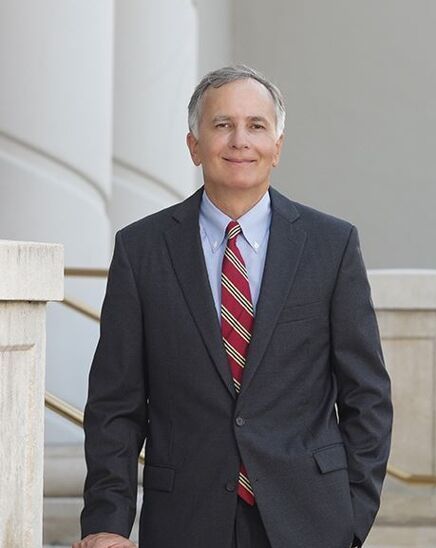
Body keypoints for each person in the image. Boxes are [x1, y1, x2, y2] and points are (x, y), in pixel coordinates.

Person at [74, 65, 392, 548]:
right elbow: (114, 405)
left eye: (257, 126)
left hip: (310, 521)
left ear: (278, 147)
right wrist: (107, 522)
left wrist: (351, 515)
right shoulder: (141, 250)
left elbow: (366, 396)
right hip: (184, 520)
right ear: (194, 145)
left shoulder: (332, 246)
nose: (240, 140)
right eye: (222, 125)